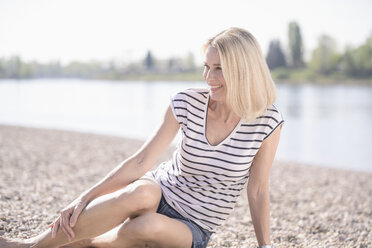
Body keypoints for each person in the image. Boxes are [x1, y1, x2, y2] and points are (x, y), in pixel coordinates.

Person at [1, 27, 284, 248]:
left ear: (243, 70)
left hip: (194, 225)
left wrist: (265, 245)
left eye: (219, 68)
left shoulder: (267, 121)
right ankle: (30, 245)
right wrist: (82, 199)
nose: (209, 77)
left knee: (146, 228)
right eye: (207, 67)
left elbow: (258, 189)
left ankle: (88, 242)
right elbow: (140, 161)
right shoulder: (186, 103)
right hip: (159, 191)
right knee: (142, 190)